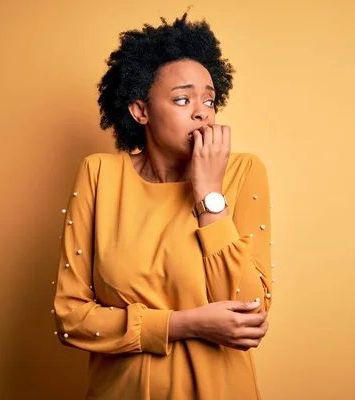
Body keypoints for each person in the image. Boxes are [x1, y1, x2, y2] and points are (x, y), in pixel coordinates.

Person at [52, 12, 274, 400]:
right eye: (183, 99)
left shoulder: (243, 172)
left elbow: (250, 313)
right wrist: (183, 325)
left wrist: (209, 192)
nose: (202, 111)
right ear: (141, 111)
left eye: (209, 99)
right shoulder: (99, 174)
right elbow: (71, 319)